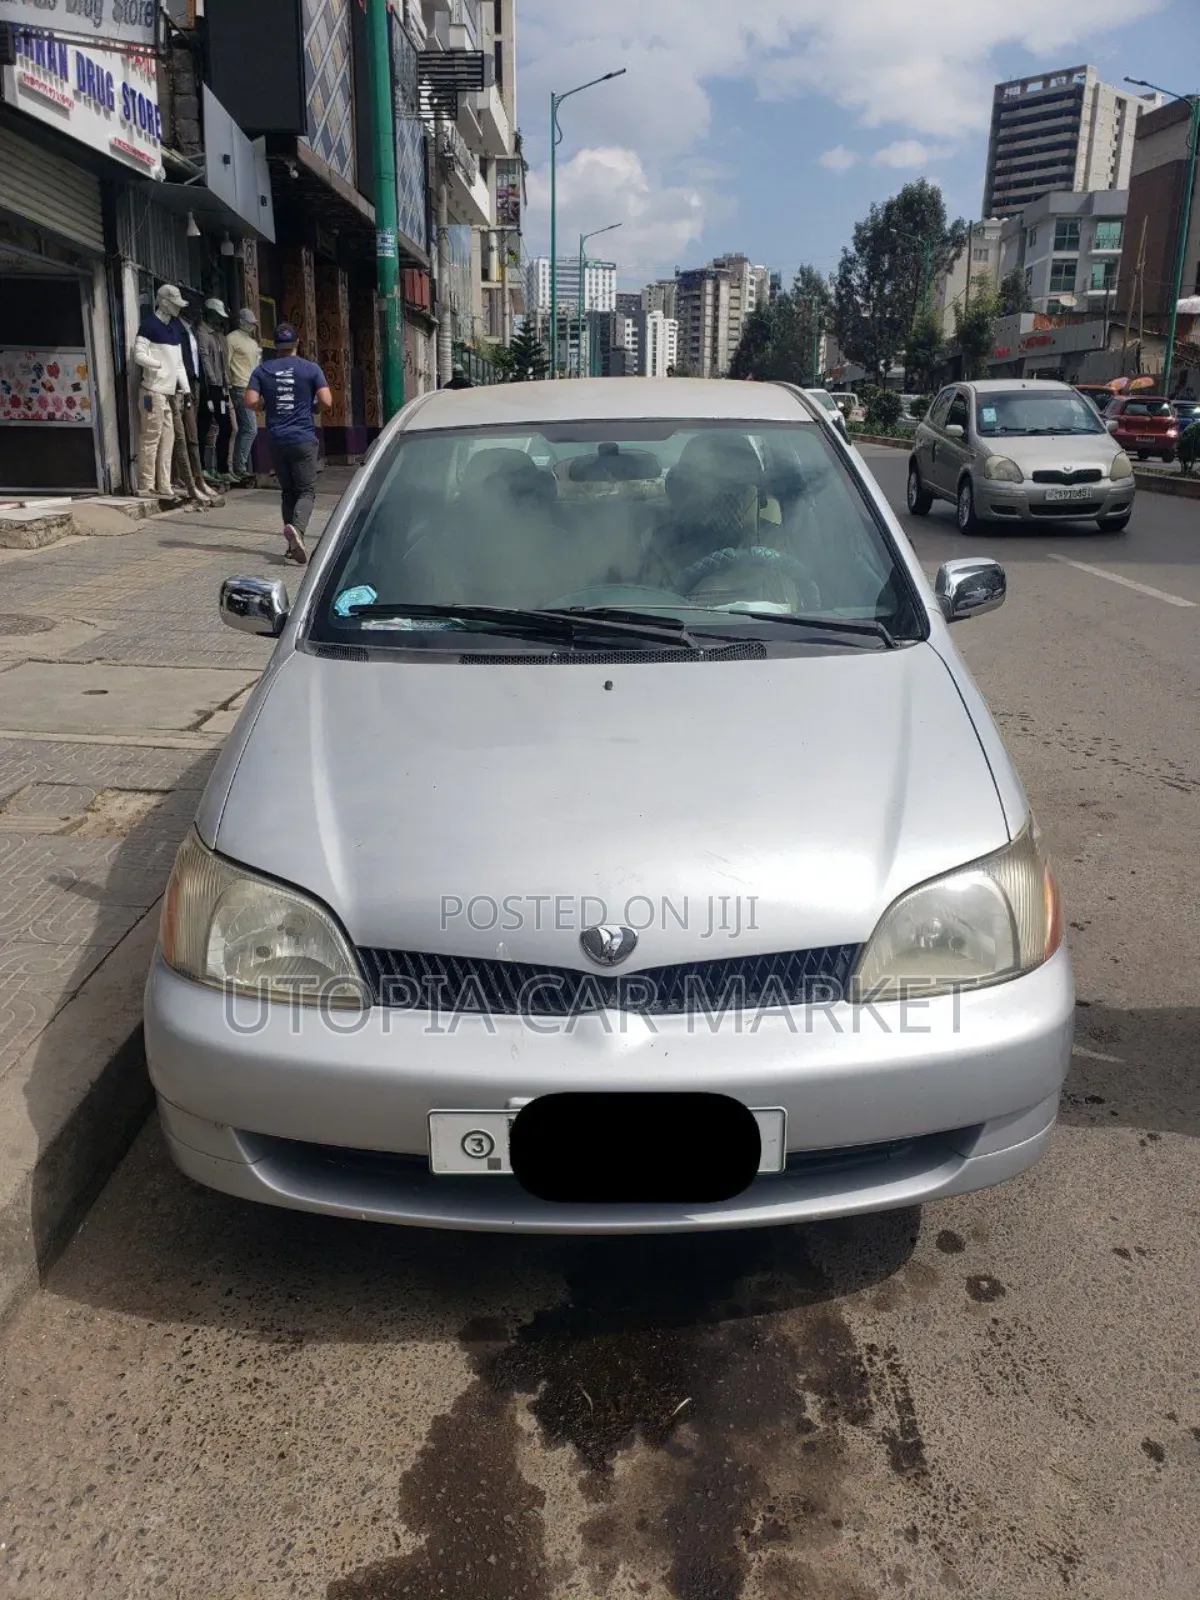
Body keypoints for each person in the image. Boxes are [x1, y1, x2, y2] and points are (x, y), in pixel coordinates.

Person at [244, 323, 332, 565]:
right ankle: (299, 534)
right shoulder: (310, 369)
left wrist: (264, 406)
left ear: (275, 345)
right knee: (306, 491)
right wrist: (313, 407)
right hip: (303, 438)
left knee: (288, 492)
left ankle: (291, 546)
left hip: (276, 439)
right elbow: (327, 400)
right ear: (297, 343)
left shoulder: (262, 370)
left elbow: (250, 401)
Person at [133, 283, 189, 501]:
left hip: (169, 393)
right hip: (152, 391)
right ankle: (146, 485)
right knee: (151, 437)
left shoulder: (174, 328)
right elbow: (139, 355)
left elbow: (179, 364)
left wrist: (185, 388)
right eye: (175, 304)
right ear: (164, 302)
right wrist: (158, 365)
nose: (178, 309)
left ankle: (164, 484)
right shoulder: (148, 326)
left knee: (169, 438)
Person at [197, 297, 233, 484]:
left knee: (226, 426)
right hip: (208, 388)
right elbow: (204, 358)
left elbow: (224, 362)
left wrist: (226, 382)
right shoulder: (202, 332)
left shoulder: (219, 335)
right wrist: (212, 381)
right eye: (217, 315)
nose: (220, 319)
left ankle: (222, 468)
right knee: (203, 425)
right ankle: (203, 468)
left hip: (221, 388)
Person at [226, 307, 262, 484]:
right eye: (250, 323)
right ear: (242, 322)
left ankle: (239, 466)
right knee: (249, 429)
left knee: (244, 429)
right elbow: (226, 364)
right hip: (239, 387)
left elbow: (256, 366)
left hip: (251, 388)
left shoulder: (253, 343)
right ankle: (239, 467)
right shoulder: (232, 339)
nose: (253, 326)